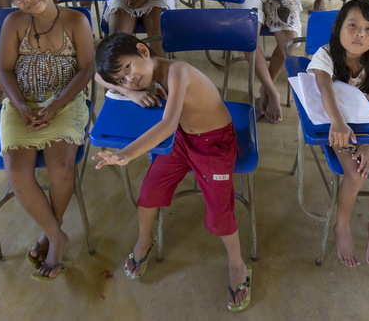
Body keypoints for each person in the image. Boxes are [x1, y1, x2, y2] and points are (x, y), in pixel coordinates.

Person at [93, 33, 252, 312]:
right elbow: (98, 77)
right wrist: (132, 92)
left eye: (128, 69)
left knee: (220, 211)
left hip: (214, 145)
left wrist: (126, 154)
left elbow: (166, 125)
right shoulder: (142, 76)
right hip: (182, 140)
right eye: (121, 79)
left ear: (143, 50)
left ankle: (238, 265)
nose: (128, 79)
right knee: (149, 191)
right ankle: (144, 241)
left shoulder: (179, 72)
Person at [0, 0, 94, 280]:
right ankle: (56, 235)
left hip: (64, 102)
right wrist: (21, 105)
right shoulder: (13, 24)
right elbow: (5, 70)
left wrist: (56, 106)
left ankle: (49, 235)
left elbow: (87, 69)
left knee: (60, 168)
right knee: (17, 171)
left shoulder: (75, 21)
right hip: (22, 104)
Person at [307, 0, 369, 266]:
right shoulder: (325, 55)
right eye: (353, 25)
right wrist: (338, 123)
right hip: (338, 122)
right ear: (338, 28)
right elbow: (325, 90)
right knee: (357, 174)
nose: (360, 34)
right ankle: (342, 225)